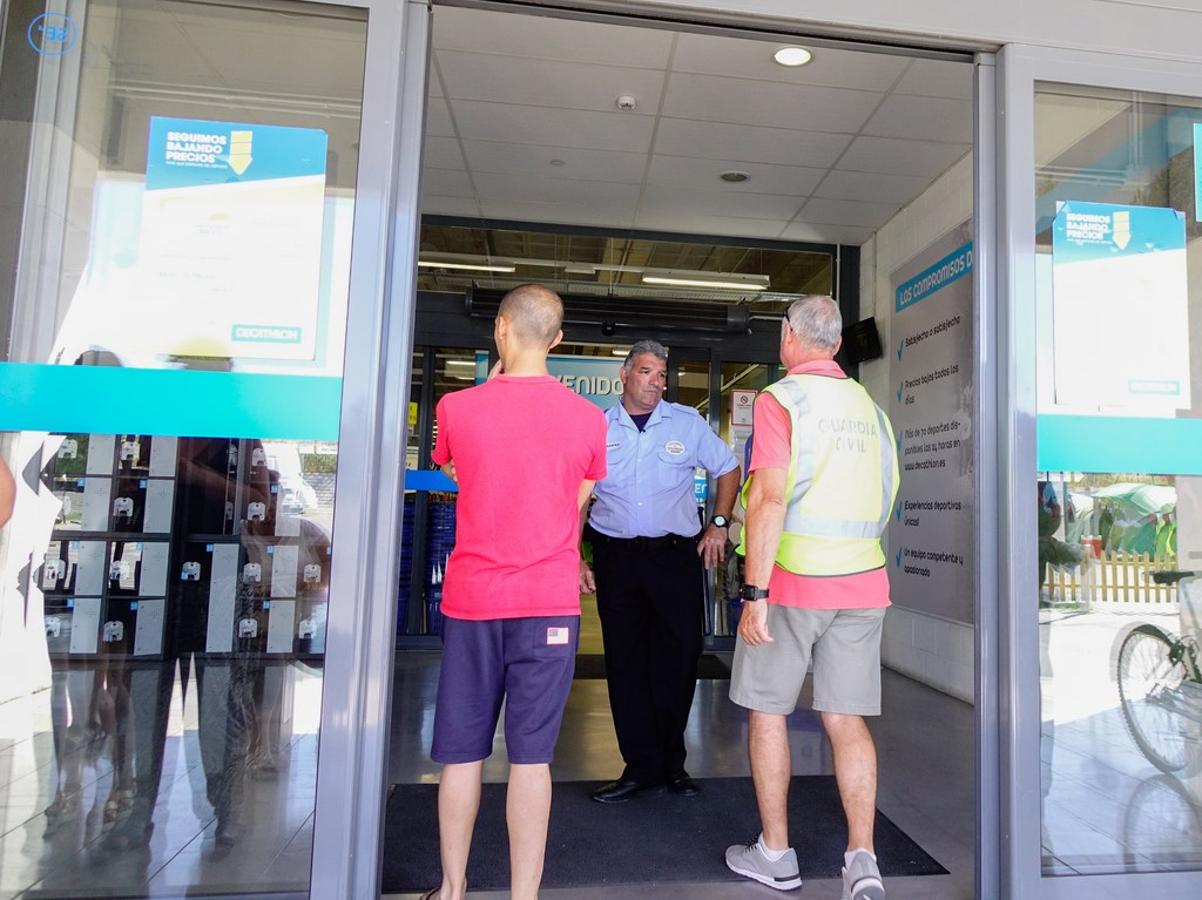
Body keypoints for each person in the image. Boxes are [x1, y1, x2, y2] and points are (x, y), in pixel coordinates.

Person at [426, 284, 607, 900]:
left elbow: (458, 473)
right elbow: (576, 499)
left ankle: (452, 890)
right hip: (550, 603)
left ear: (500, 328)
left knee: (462, 755)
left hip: (475, 602)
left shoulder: (457, 408)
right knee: (532, 760)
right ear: (558, 340)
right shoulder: (589, 419)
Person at [725, 295, 898, 898]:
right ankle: (862, 860)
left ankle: (776, 854)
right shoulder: (870, 408)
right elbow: (886, 493)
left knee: (768, 710)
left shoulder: (782, 400)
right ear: (840, 343)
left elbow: (769, 499)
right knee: (845, 718)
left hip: (794, 582)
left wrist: (755, 592)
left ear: (787, 336)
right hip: (864, 581)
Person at [582, 339, 739, 803]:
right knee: (626, 661)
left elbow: (727, 470)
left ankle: (673, 764)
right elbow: (578, 492)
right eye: (648, 372)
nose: (657, 382)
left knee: (679, 656)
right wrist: (574, 553)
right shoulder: (597, 427)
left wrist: (718, 523)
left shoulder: (687, 424)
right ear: (625, 376)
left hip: (674, 558)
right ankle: (639, 766)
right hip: (616, 557)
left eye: (662, 374)